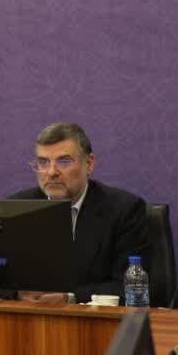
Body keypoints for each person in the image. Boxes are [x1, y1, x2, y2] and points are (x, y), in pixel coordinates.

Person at [11, 122, 150, 302]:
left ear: (89, 164)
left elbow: (131, 286)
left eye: (64, 161)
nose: (51, 172)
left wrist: (70, 298)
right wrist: (17, 294)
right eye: (43, 162)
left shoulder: (124, 210)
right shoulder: (17, 209)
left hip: (93, 317)